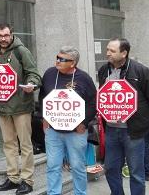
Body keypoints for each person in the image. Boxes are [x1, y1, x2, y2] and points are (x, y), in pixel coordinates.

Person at [0, 24, 41, 195]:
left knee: (25, 145)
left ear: (12, 34)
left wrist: (31, 84)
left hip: (21, 107)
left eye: (6, 35)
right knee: (8, 144)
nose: (3, 38)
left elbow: (34, 73)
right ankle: (13, 177)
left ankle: (27, 180)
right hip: (2, 106)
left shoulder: (21, 51)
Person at [97, 38, 149, 195]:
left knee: (136, 172)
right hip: (111, 130)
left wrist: (141, 117)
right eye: (107, 50)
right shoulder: (104, 70)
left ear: (124, 53)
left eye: (112, 51)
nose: (108, 53)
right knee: (111, 168)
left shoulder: (140, 70)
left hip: (133, 131)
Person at [39, 46, 97, 195]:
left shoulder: (83, 78)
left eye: (62, 59)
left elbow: (93, 102)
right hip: (53, 131)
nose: (57, 61)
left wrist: (83, 122)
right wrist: (44, 117)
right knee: (53, 166)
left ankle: (80, 193)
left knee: (77, 166)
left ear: (73, 63)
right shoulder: (49, 74)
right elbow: (43, 96)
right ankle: (54, 193)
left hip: (76, 133)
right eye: (57, 57)